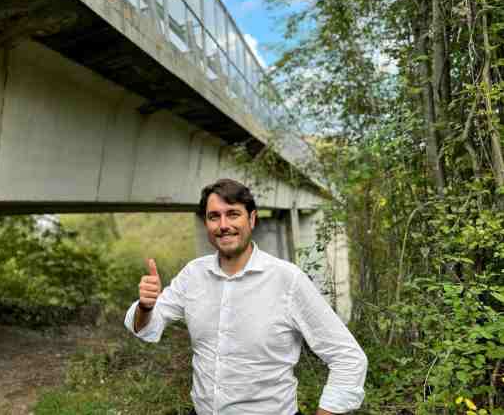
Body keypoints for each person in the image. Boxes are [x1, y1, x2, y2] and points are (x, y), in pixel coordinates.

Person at [124, 178, 367, 415]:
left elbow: (349, 358)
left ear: (251, 219)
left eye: (232, 214)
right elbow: (147, 328)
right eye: (213, 216)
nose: (223, 225)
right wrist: (146, 307)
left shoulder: (287, 279)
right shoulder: (193, 275)